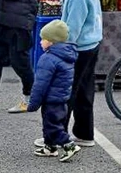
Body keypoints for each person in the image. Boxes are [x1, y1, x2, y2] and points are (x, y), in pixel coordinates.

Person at [52, 0, 105, 147]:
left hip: (78, 47)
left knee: (66, 91)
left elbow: (72, 27)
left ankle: (57, 135)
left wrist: (62, 46)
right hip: (91, 44)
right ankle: (84, 133)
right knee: (84, 90)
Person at [28, 20, 81, 162]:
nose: (40, 42)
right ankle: (50, 147)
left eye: (43, 39)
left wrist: (33, 103)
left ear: (51, 42)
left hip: (51, 99)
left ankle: (69, 145)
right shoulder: (67, 56)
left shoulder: (48, 59)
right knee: (53, 123)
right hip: (62, 98)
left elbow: (40, 84)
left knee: (52, 126)